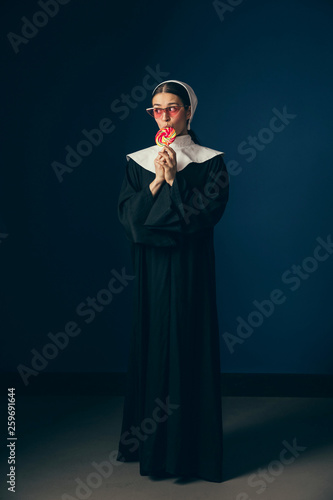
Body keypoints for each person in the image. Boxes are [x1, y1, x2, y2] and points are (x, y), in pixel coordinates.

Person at [116, 80, 229, 482]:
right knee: (154, 343)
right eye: (156, 109)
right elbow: (130, 219)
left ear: (188, 112)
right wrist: (157, 181)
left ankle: (190, 454)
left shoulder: (210, 160)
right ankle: (151, 448)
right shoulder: (138, 161)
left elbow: (204, 216)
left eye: (172, 108)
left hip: (189, 268)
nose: (164, 115)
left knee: (186, 345)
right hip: (152, 269)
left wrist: (176, 181)